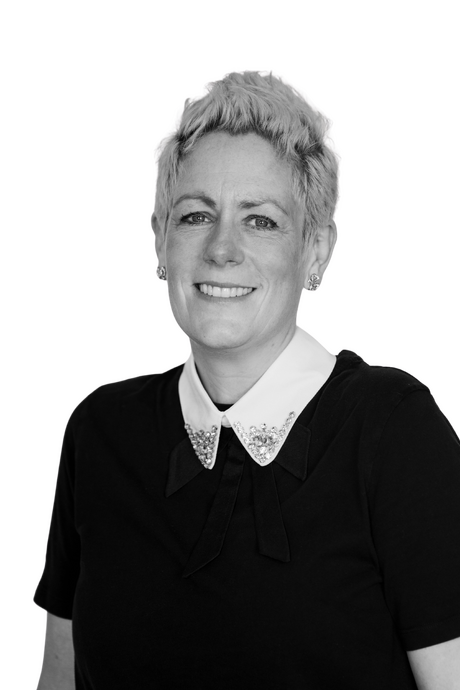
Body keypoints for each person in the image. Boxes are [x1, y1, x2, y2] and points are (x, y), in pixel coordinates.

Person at [32, 68, 460, 689]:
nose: (221, 249)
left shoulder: (395, 431)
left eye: (260, 220)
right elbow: (58, 676)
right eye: (195, 216)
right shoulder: (100, 430)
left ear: (317, 250)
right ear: (158, 241)